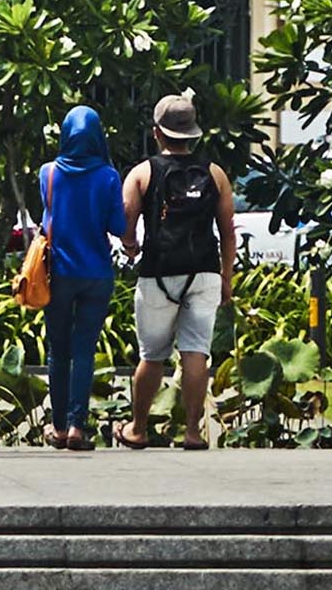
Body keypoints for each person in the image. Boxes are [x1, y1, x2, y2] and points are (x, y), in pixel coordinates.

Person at [119, 90, 237, 449]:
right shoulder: (214, 173)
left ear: (157, 132)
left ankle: (137, 429)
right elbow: (228, 232)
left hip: (158, 273)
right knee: (196, 352)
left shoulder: (142, 172)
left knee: (152, 355)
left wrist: (130, 244)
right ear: (193, 134)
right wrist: (226, 279)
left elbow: (127, 219)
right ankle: (192, 432)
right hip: (203, 273)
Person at [36, 105, 124, 451]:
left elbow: (47, 217)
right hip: (97, 274)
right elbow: (117, 226)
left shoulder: (49, 173)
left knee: (58, 350)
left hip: (58, 273)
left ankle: (58, 427)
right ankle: (77, 426)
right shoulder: (108, 176)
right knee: (84, 349)